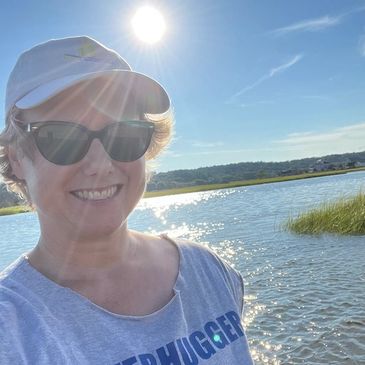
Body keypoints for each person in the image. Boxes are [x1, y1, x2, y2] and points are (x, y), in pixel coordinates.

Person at [0, 36, 254, 364]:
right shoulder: (12, 329)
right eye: (61, 137)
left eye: (124, 134)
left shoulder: (208, 269)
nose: (100, 165)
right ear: (15, 156)